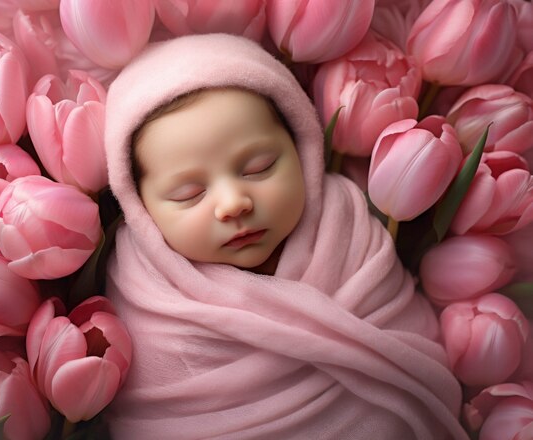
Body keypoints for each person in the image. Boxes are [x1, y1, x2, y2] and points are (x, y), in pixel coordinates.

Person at [104, 33, 468, 439]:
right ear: (140, 209)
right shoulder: (148, 298)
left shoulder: (348, 229)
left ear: (302, 146)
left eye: (258, 167)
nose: (233, 203)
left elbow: (411, 341)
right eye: (188, 193)